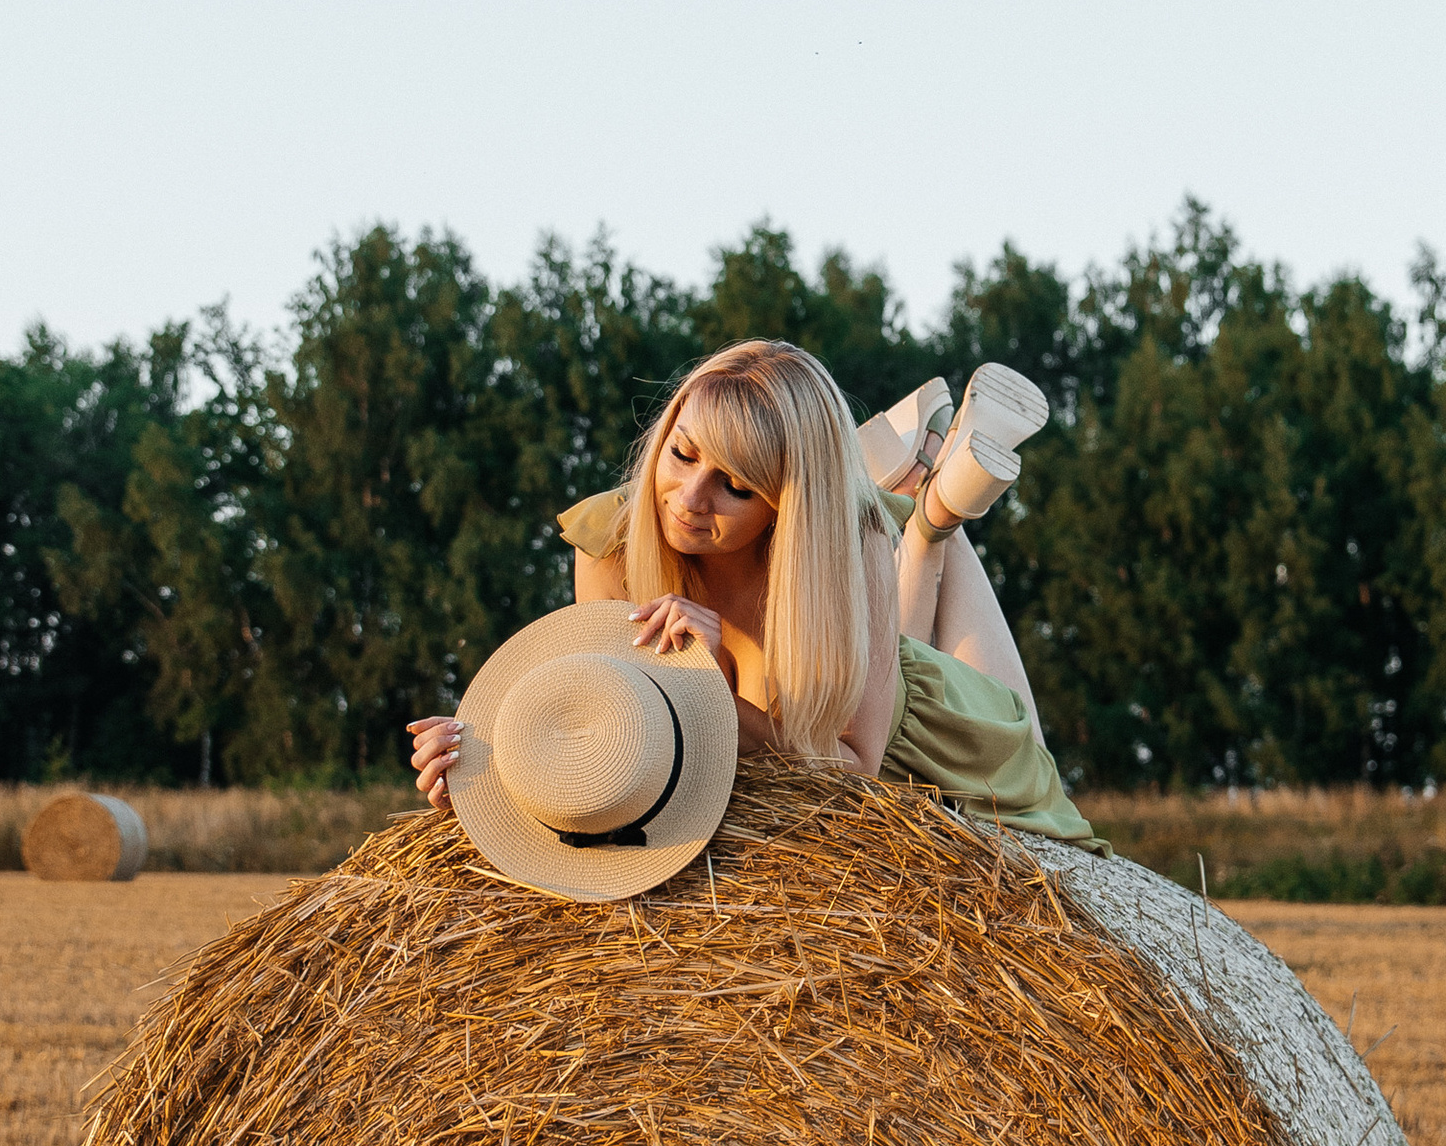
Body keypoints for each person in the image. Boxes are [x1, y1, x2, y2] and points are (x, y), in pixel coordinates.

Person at [406, 337, 1098, 848]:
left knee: (1038, 765)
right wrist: (491, 767)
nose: (688, 498)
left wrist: (707, 692)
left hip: (928, 744)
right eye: (681, 454)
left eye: (736, 486)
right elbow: (615, 739)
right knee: (875, 611)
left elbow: (857, 769)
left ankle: (936, 514)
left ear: (784, 506)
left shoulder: (847, 547)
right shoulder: (614, 547)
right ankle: (915, 492)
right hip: (846, 678)